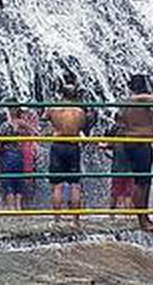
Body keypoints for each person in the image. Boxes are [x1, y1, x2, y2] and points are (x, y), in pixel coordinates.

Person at [113, 74, 153, 231]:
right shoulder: (140, 98)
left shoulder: (124, 103)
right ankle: (143, 221)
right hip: (140, 144)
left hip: (130, 143)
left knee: (142, 182)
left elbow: (120, 120)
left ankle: (144, 218)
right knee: (142, 183)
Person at [46, 76, 88, 216]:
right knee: (75, 184)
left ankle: (57, 219)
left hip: (58, 145)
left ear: (61, 94)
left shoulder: (53, 109)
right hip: (72, 145)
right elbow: (82, 126)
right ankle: (75, 219)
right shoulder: (79, 112)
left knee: (57, 185)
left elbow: (44, 117)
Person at [0, 107, 28, 210]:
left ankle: (11, 208)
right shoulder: (22, 123)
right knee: (18, 181)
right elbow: (35, 132)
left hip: (7, 155)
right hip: (18, 154)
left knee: (8, 182)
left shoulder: (5, 125)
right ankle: (18, 207)